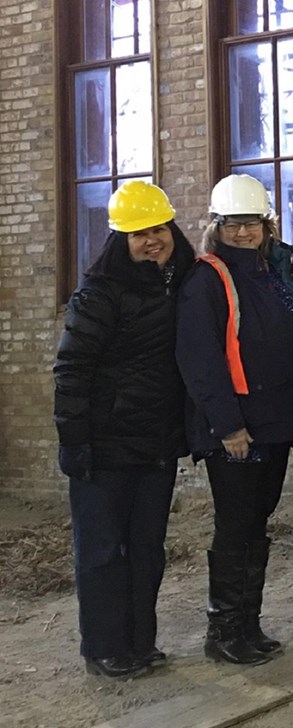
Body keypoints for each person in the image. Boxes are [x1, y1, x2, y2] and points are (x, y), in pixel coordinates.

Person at [53, 181, 194, 679]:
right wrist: (74, 442)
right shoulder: (98, 295)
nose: (150, 240)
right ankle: (104, 648)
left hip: (154, 445)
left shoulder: (180, 286)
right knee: (102, 553)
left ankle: (139, 642)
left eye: (157, 229)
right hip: (104, 449)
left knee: (146, 550)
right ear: (120, 240)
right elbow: (71, 371)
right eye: (138, 233)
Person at [175, 174, 293, 665]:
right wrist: (228, 426)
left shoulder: (273, 272)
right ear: (217, 226)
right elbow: (200, 359)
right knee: (236, 528)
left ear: (266, 225)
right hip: (237, 430)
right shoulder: (207, 279)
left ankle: (247, 625)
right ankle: (223, 632)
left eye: (250, 223)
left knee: (257, 525)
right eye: (232, 224)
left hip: (273, 423)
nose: (242, 232)